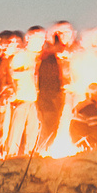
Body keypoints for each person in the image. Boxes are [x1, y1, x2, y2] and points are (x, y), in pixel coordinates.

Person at [33, 23, 67, 152]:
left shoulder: (52, 57)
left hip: (53, 94)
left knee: (53, 122)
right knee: (48, 123)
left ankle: (47, 148)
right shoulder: (45, 57)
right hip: (47, 95)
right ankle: (43, 149)